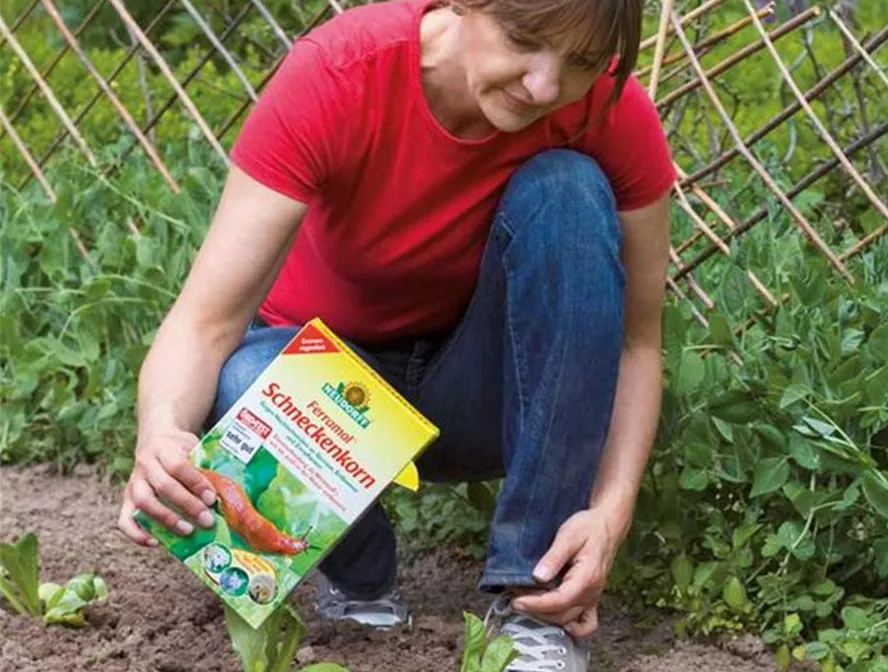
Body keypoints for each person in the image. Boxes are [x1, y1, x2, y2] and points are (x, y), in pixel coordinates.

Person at [117, 0, 675, 668]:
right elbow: (205, 322)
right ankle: (360, 580)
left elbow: (636, 343)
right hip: (337, 405)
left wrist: (609, 515)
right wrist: (158, 431)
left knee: (567, 188)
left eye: (581, 61)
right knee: (239, 379)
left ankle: (537, 601)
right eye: (522, 40)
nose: (545, 87)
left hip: (490, 395)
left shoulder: (607, 108)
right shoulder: (340, 74)